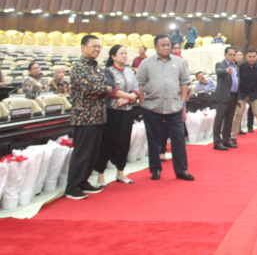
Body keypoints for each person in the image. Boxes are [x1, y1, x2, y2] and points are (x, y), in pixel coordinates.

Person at [65, 35, 131, 200]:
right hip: (84, 116)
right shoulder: (78, 67)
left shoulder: (96, 67)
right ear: (83, 47)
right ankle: (72, 187)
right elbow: (90, 88)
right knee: (82, 153)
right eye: (94, 46)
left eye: (99, 47)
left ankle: (83, 181)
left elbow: (107, 87)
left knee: (93, 154)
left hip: (99, 116)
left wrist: (101, 91)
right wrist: (101, 90)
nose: (97, 49)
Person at [136, 34, 194, 181]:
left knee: (178, 139)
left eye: (168, 44)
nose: (167, 47)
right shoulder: (146, 63)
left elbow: (185, 82)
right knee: (154, 139)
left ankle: (181, 170)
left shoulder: (179, 62)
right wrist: (142, 102)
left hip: (174, 107)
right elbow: (140, 83)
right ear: (156, 47)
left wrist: (182, 102)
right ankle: (155, 169)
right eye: (163, 45)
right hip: (151, 107)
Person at [94, 45, 140, 186]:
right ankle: (100, 175)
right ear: (113, 56)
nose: (125, 56)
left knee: (124, 142)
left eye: (126, 53)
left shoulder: (129, 72)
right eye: (121, 53)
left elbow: (137, 89)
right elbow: (110, 90)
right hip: (111, 111)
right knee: (106, 142)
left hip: (126, 112)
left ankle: (120, 172)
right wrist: (130, 97)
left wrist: (127, 99)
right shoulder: (107, 71)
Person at [231, 48, 257, 145]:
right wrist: (239, 98)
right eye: (250, 57)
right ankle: (233, 137)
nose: (252, 59)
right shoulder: (240, 67)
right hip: (242, 94)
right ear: (246, 57)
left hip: (255, 93)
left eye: (254, 57)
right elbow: (238, 83)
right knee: (237, 115)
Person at [212, 46, 240, 151]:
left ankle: (226, 140)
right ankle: (217, 142)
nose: (232, 57)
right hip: (223, 97)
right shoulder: (220, 64)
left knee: (229, 120)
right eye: (230, 55)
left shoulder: (236, 66)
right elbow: (219, 71)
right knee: (219, 120)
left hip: (233, 96)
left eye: (234, 55)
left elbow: (238, 81)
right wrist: (226, 71)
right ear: (225, 55)